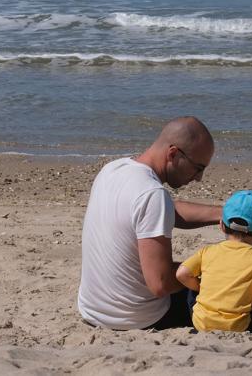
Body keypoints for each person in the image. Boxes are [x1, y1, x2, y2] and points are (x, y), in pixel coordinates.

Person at [77, 116, 221, 330]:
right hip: (138, 318)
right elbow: (160, 283)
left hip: (93, 310)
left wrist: (223, 213)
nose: (199, 178)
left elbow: (164, 210)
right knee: (229, 285)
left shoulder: (113, 170)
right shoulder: (152, 194)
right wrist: (214, 269)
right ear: (173, 154)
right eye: (197, 168)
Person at [175, 189, 252, 332]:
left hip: (201, 322)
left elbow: (182, 273)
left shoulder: (207, 251)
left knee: (194, 287)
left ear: (221, 225)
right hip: (239, 326)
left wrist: (200, 288)